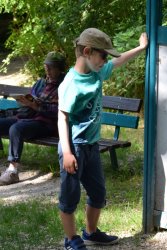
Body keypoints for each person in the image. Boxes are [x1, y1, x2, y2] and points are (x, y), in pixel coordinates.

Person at [57, 28, 148, 250]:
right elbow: (62, 118)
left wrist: (141, 48)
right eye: (103, 56)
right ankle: (71, 239)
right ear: (87, 51)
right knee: (70, 197)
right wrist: (67, 153)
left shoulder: (96, 72)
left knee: (98, 193)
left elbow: (119, 62)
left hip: (91, 146)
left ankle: (90, 232)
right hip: (74, 148)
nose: (105, 61)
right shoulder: (71, 83)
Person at [0, 51, 66, 186]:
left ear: (60, 68)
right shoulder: (40, 83)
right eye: (46, 66)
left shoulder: (64, 86)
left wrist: (36, 107)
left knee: (16, 129)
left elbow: (60, 112)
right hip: (28, 117)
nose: (47, 69)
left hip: (46, 123)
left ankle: (13, 170)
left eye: (51, 67)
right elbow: (31, 100)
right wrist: (25, 101)